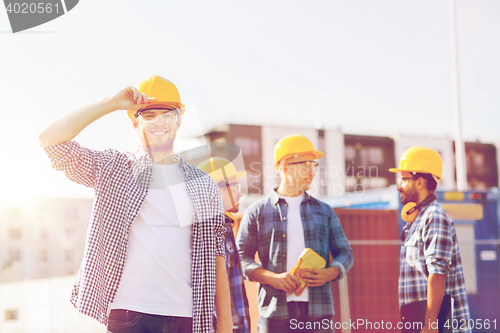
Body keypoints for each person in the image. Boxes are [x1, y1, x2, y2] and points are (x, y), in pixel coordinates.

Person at [39, 75, 232, 333]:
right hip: (128, 314)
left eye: (167, 114)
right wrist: (109, 103)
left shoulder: (204, 185)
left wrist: (226, 326)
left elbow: (218, 255)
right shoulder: (114, 167)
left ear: (179, 119)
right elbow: (50, 141)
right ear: (134, 122)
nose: (159, 122)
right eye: (149, 115)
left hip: (186, 316)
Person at [236, 134, 353, 333]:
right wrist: (271, 278)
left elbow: (345, 253)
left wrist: (329, 273)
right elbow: (240, 258)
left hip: (319, 312)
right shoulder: (257, 211)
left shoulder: (325, 211)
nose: (312, 172)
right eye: (305, 165)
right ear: (284, 166)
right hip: (274, 314)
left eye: (313, 165)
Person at [390, 146, 471, 333]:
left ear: (420, 182)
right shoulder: (416, 220)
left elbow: (437, 273)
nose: (398, 186)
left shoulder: (434, 217)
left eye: (403, 179)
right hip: (416, 319)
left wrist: (430, 324)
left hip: (436, 325)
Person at [198, 156, 251, 333]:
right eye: (236, 185)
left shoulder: (226, 226)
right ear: (215, 188)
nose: (240, 193)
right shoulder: (206, 232)